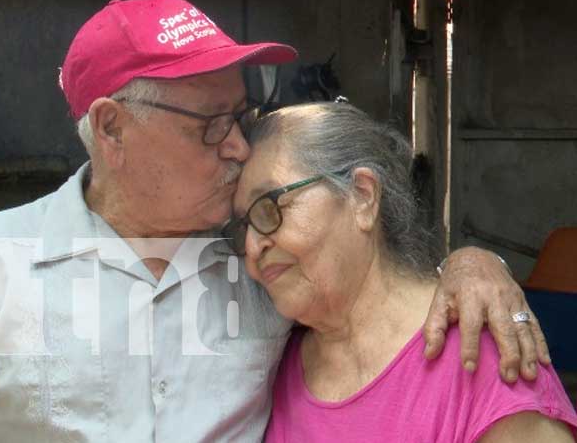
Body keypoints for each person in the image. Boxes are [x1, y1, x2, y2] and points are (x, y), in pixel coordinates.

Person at [0, 0, 550, 442]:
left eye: (242, 117)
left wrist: (470, 264)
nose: (238, 146)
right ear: (113, 129)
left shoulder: (261, 264)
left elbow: (371, 286)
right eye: (211, 125)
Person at [229, 101, 577, 442]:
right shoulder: (274, 362)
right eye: (245, 226)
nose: (252, 247)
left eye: (268, 208)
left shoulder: (485, 358)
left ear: (363, 196)